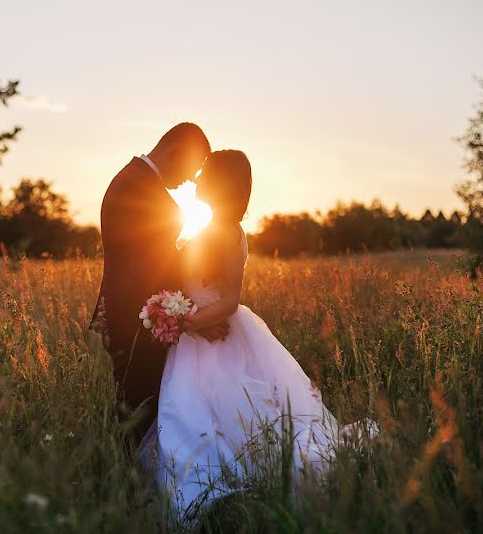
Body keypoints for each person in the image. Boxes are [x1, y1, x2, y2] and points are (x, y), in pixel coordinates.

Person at [137, 150, 380, 521]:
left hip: (218, 336)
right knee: (188, 412)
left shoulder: (231, 234)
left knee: (230, 410)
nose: (197, 180)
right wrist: (177, 312)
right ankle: (204, 489)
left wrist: (187, 321)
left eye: (205, 175)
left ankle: (228, 486)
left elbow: (230, 301)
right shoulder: (203, 228)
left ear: (220, 183)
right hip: (195, 335)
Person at [90, 123, 229, 444]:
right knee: (138, 413)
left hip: (145, 319)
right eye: (190, 169)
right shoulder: (135, 187)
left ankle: (141, 479)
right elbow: (148, 268)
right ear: (174, 152)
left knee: (146, 411)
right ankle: (132, 486)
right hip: (136, 322)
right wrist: (189, 316)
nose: (187, 182)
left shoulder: (139, 181)